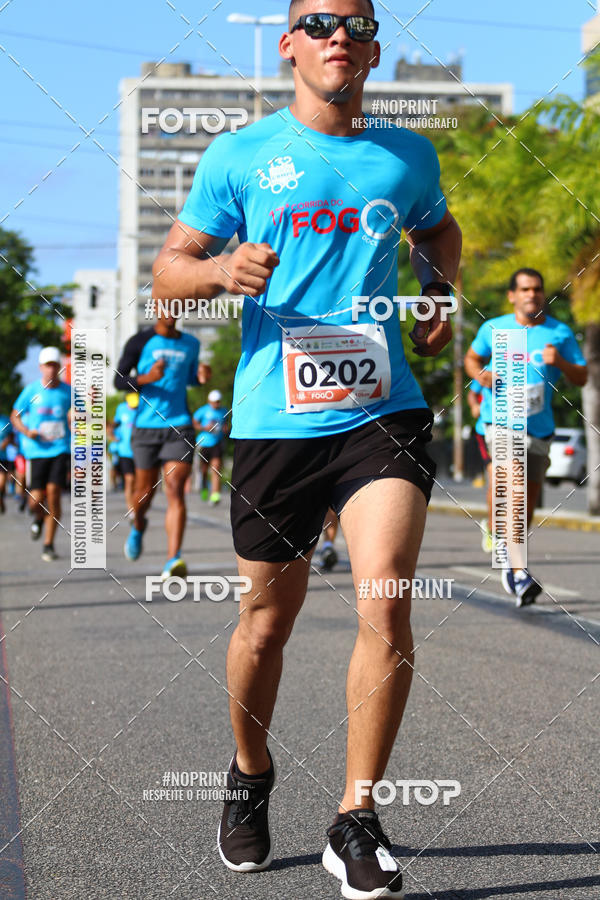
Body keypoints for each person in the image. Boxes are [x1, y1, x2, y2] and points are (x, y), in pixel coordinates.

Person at [152, 1, 461, 896]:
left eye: (356, 25)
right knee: (265, 625)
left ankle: (356, 817)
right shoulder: (240, 154)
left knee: (387, 605)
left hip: (381, 412)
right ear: (289, 44)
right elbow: (172, 265)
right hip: (272, 423)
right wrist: (215, 271)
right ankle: (249, 775)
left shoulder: (407, 154)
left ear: (373, 49)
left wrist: (436, 287)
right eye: (318, 22)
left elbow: (436, 230)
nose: (339, 37)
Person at [465, 268, 587, 605]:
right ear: (512, 295)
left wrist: (560, 361)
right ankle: (516, 570)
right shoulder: (493, 328)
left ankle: (509, 547)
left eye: (537, 289)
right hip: (499, 422)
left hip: (539, 428)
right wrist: (481, 375)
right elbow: (472, 359)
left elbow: (582, 377)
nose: (532, 295)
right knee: (513, 486)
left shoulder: (559, 333)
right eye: (525, 289)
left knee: (528, 500)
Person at [114, 309, 211, 580]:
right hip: (145, 427)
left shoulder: (191, 344)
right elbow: (118, 380)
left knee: (174, 488)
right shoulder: (140, 341)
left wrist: (201, 375)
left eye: (176, 306)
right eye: (165, 306)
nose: (170, 312)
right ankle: (138, 525)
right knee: (144, 492)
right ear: (155, 309)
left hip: (179, 425)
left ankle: (173, 559)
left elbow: (189, 377)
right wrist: (145, 379)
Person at [10, 347, 71, 561]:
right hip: (36, 452)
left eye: (55, 365)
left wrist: (78, 417)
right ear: (41, 367)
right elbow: (15, 415)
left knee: (54, 493)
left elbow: (83, 416)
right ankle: (37, 518)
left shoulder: (68, 391)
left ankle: (48, 544)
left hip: (61, 449)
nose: (51, 369)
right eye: (48, 365)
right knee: (36, 501)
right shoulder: (31, 391)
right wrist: (27, 432)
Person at [466, 380, 493, 552]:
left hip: (516, 430)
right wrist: (475, 406)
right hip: (486, 430)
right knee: (497, 478)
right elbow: (471, 393)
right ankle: (492, 529)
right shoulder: (487, 369)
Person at [193, 389, 229, 504]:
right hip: (204, 443)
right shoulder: (203, 410)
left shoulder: (224, 411)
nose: (216, 404)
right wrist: (204, 428)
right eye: (214, 402)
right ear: (209, 401)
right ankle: (204, 487)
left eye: (218, 401)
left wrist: (225, 429)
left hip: (217, 443)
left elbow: (226, 424)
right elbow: (194, 422)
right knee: (204, 470)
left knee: (216, 468)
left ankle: (215, 494)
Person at [112, 392, 139, 515]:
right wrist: (113, 435)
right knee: (130, 479)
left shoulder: (142, 408)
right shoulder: (121, 409)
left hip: (139, 451)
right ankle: (131, 509)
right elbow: (114, 424)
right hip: (125, 451)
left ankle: (138, 506)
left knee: (139, 482)